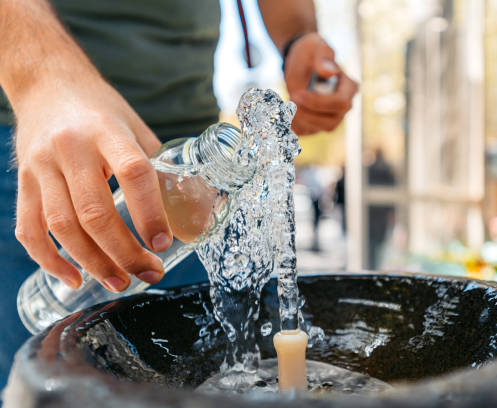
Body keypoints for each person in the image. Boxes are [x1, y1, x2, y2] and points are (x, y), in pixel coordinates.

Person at [0, 0, 358, 389]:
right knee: (44, 378)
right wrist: (40, 75)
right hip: (45, 134)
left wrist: (296, 38)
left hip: (187, 155)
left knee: (198, 378)